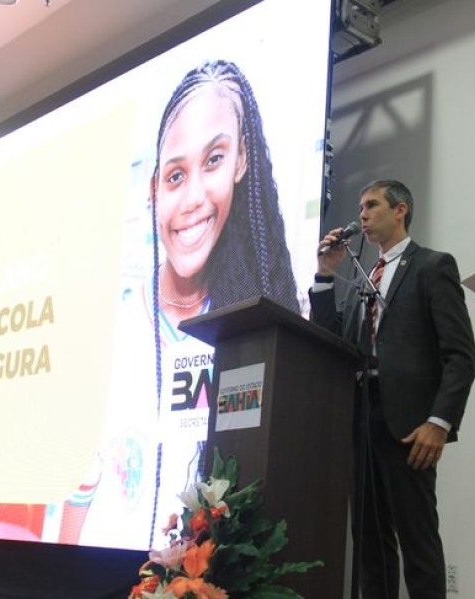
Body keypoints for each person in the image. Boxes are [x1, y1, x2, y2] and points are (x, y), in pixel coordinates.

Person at [60, 59, 300, 549]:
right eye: (174, 175)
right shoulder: (108, 329)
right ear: (154, 189)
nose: (192, 198)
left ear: (241, 161)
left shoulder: (253, 328)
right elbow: (80, 486)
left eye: (213, 160)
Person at [310, 179, 475, 599]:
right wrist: (325, 274)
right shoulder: (363, 278)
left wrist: (439, 422)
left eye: (372, 206)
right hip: (361, 416)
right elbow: (332, 340)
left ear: (400, 210)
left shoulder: (432, 266)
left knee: (417, 538)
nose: (362, 215)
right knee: (369, 540)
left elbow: (460, 355)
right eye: (360, 208)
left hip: (410, 424)